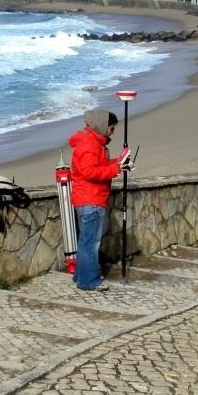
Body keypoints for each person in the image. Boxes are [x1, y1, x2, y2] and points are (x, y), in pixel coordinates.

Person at [69, 109, 129, 292]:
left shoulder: (92, 142)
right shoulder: (90, 144)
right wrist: (115, 170)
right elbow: (89, 172)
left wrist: (117, 163)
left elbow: (97, 166)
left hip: (88, 198)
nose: (113, 132)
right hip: (91, 199)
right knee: (91, 243)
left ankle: (81, 276)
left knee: (86, 241)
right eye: (111, 128)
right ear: (103, 126)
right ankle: (89, 281)